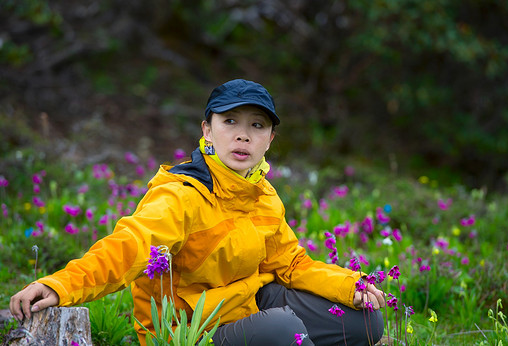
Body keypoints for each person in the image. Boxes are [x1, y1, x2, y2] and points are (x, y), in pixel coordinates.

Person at [10, 79, 385, 345]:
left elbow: (291, 264)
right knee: (284, 331)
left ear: (270, 139)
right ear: (207, 129)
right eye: (230, 122)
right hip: (189, 331)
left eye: (257, 126)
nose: (243, 135)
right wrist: (59, 285)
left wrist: (348, 285)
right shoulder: (182, 193)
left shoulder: (264, 195)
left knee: (366, 322)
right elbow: (129, 246)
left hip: (247, 307)